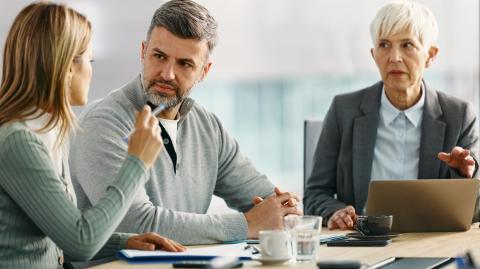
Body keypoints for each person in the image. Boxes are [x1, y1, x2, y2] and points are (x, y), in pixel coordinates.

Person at [69, 0, 301, 245]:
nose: (167, 73)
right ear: (143, 52)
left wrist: (284, 209)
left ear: (204, 71)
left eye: (185, 64)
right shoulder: (102, 124)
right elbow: (135, 223)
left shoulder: (208, 127)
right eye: (159, 56)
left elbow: (264, 198)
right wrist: (246, 225)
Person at [0, 3, 185, 268]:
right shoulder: (18, 140)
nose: (91, 69)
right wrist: (137, 162)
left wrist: (124, 242)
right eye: (90, 59)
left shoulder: (51, 132)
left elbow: (62, 234)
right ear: (67, 67)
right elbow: (81, 241)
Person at [304, 0, 479, 231]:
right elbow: (315, 194)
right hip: (363, 244)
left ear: (430, 55)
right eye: (384, 45)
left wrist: (464, 175)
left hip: (429, 241)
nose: (394, 57)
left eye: (407, 45)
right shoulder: (343, 110)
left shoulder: (459, 115)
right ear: (373, 54)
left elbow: (475, 211)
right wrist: (335, 212)